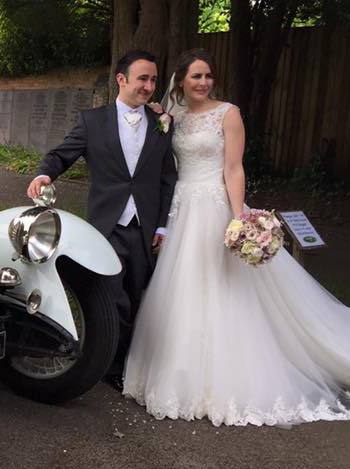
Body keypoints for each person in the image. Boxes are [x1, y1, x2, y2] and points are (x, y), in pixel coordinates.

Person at [122, 48, 350, 426]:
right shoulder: (170, 116)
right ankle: (177, 374)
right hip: (181, 208)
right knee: (181, 288)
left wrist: (238, 217)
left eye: (208, 76)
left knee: (222, 287)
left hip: (214, 206)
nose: (203, 82)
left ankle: (229, 377)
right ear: (181, 80)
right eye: (196, 76)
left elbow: (233, 168)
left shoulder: (228, 114)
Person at [26, 50, 177, 389]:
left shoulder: (162, 124)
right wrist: (44, 175)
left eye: (153, 80)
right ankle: (107, 366)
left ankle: (127, 366)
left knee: (138, 297)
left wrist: (164, 225)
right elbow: (61, 154)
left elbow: (168, 179)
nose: (149, 86)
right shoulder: (92, 121)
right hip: (107, 227)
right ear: (121, 79)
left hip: (146, 229)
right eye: (142, 78)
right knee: (112, 300)